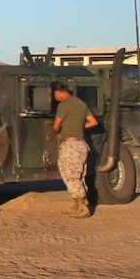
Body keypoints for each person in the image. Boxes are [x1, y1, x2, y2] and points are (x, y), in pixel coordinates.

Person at [52, 82, 98, 217]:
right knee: (79, 175)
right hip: (81, 144)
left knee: (70, 174)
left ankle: (82, 208)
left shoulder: (64, 105)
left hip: (70, 145)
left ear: (58, 92)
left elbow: (56, 126)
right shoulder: (80, 103)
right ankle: (77, 205)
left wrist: (59, 132)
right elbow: (93, 122)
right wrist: (77, 127)